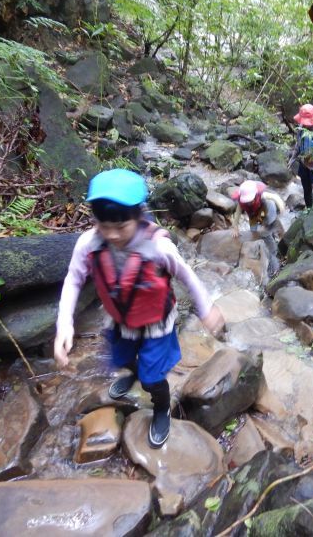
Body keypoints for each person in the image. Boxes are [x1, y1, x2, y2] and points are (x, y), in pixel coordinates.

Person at [54, 169, 225, 449]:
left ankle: (161, 408)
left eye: (120, 228)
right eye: (103, 226)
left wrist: (206, 309)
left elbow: (187, 275)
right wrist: (65, 324)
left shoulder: (159, 248)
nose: (112, 235)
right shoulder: (88, 243)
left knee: (153, 376)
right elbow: (73, 279)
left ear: (138, 215)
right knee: (121, 359)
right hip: (120, 319)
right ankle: (133, 373)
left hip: (156, 323)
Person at [230, 180, 286, 276]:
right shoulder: (242, 202)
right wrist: (235, 227)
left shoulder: (262, 196)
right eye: (246, 201)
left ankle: (275, 253)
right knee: (255, 231)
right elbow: (238, 212)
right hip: (253, 216)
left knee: (266, 232)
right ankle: (266, 241)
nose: (248, 202)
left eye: (250, 200)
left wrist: (281, 207)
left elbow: (275, 197)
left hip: (265, 213)